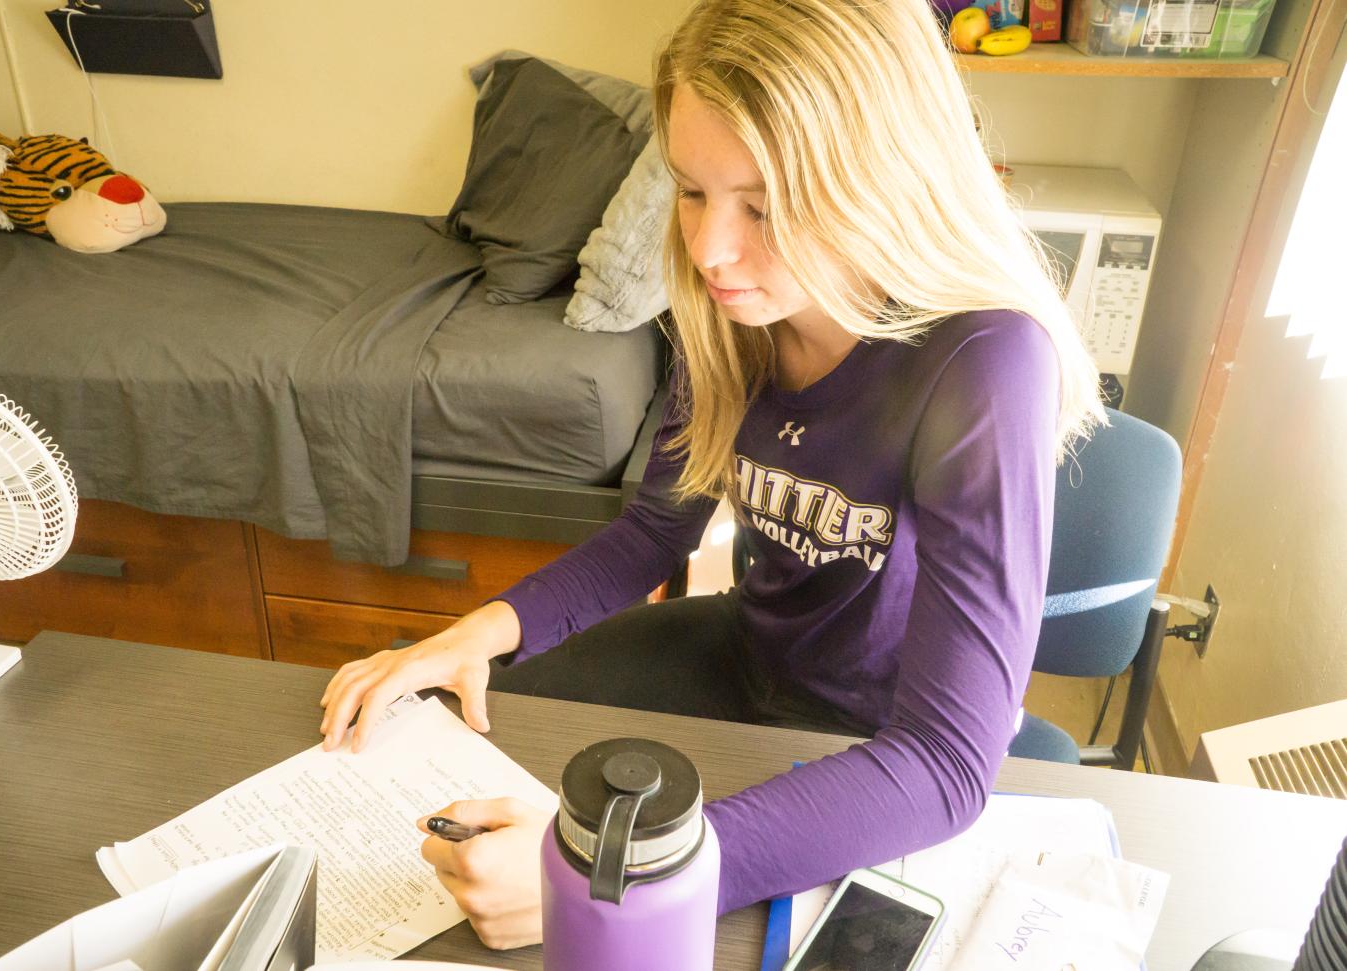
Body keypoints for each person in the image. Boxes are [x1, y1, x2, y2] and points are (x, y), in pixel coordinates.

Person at [319, 0, 1105, 950]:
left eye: (764, 207)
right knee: (466, 737)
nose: (709, 250)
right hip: (748, 657)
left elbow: (945, 762)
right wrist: (477, 634)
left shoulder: (983, 361)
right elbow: (654, 531)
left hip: (876, 743)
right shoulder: (730, 308)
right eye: (692, 192)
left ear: (884, 181)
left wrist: (637, 879)